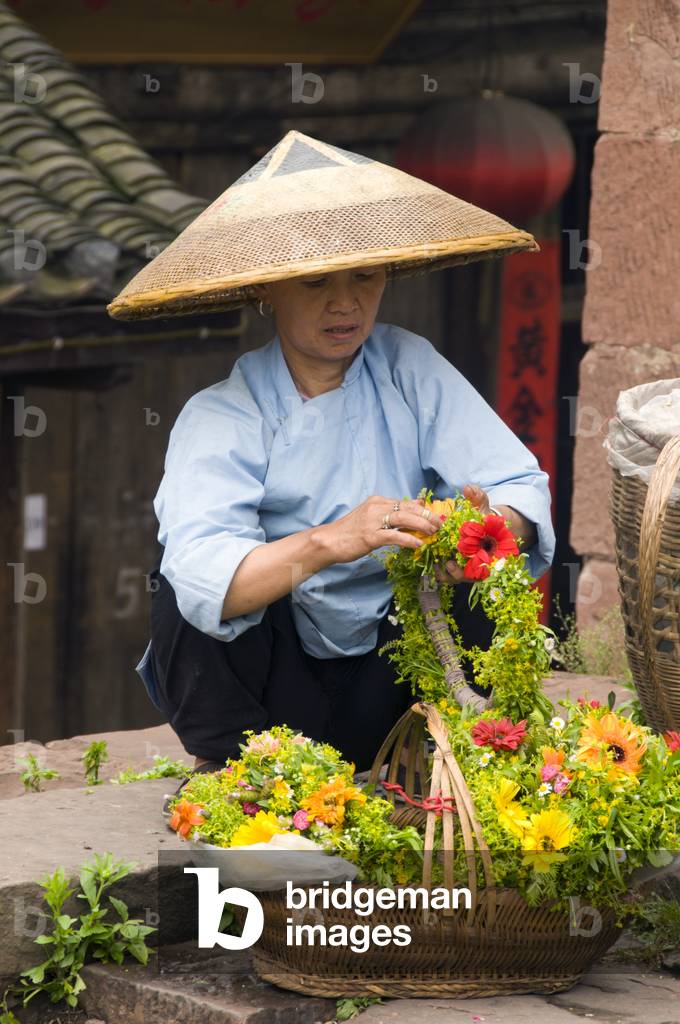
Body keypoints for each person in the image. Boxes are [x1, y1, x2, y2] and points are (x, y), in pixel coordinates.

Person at [109, 131, 555, 779]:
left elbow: (519, 488)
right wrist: (330, 542)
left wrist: (480, 532)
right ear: (267, 290)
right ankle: (245, 766)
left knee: (491, 573)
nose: (345, 303)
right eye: (317, 280)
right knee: (181, 581)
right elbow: (206, 573)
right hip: (272, 690)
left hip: (393, 677)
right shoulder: (222, 414)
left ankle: (442, 746)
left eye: (365, 276)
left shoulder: (409, 365)